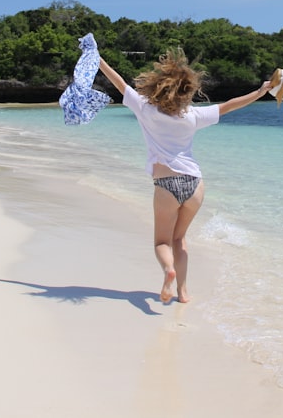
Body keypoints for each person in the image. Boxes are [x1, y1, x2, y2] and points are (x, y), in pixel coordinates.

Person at [98, 48, 273, 304]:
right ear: (187, 90)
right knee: (180, 239)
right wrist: (260, 92)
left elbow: (120, 83)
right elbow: (229, 106)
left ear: (159, 86)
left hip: (166, 184)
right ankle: (183, 292)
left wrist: (99, 60)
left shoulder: (145, 109)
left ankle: (168, 270)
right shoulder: (193, 116)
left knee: (161, 243)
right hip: (195, 184)